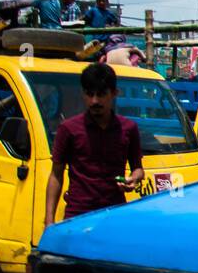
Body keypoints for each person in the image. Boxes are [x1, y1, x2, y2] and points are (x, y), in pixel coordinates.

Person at [45, 63, 144, 224]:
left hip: (114, 214)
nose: (94, 101)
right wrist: (49, 221)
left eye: (101, 94)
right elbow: (56, 174)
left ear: (114, 93)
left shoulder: (129, 129)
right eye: (89, 94)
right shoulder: (68, 129)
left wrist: (133, 179)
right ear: (83, 94)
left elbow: (138, 169)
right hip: (78, 215)